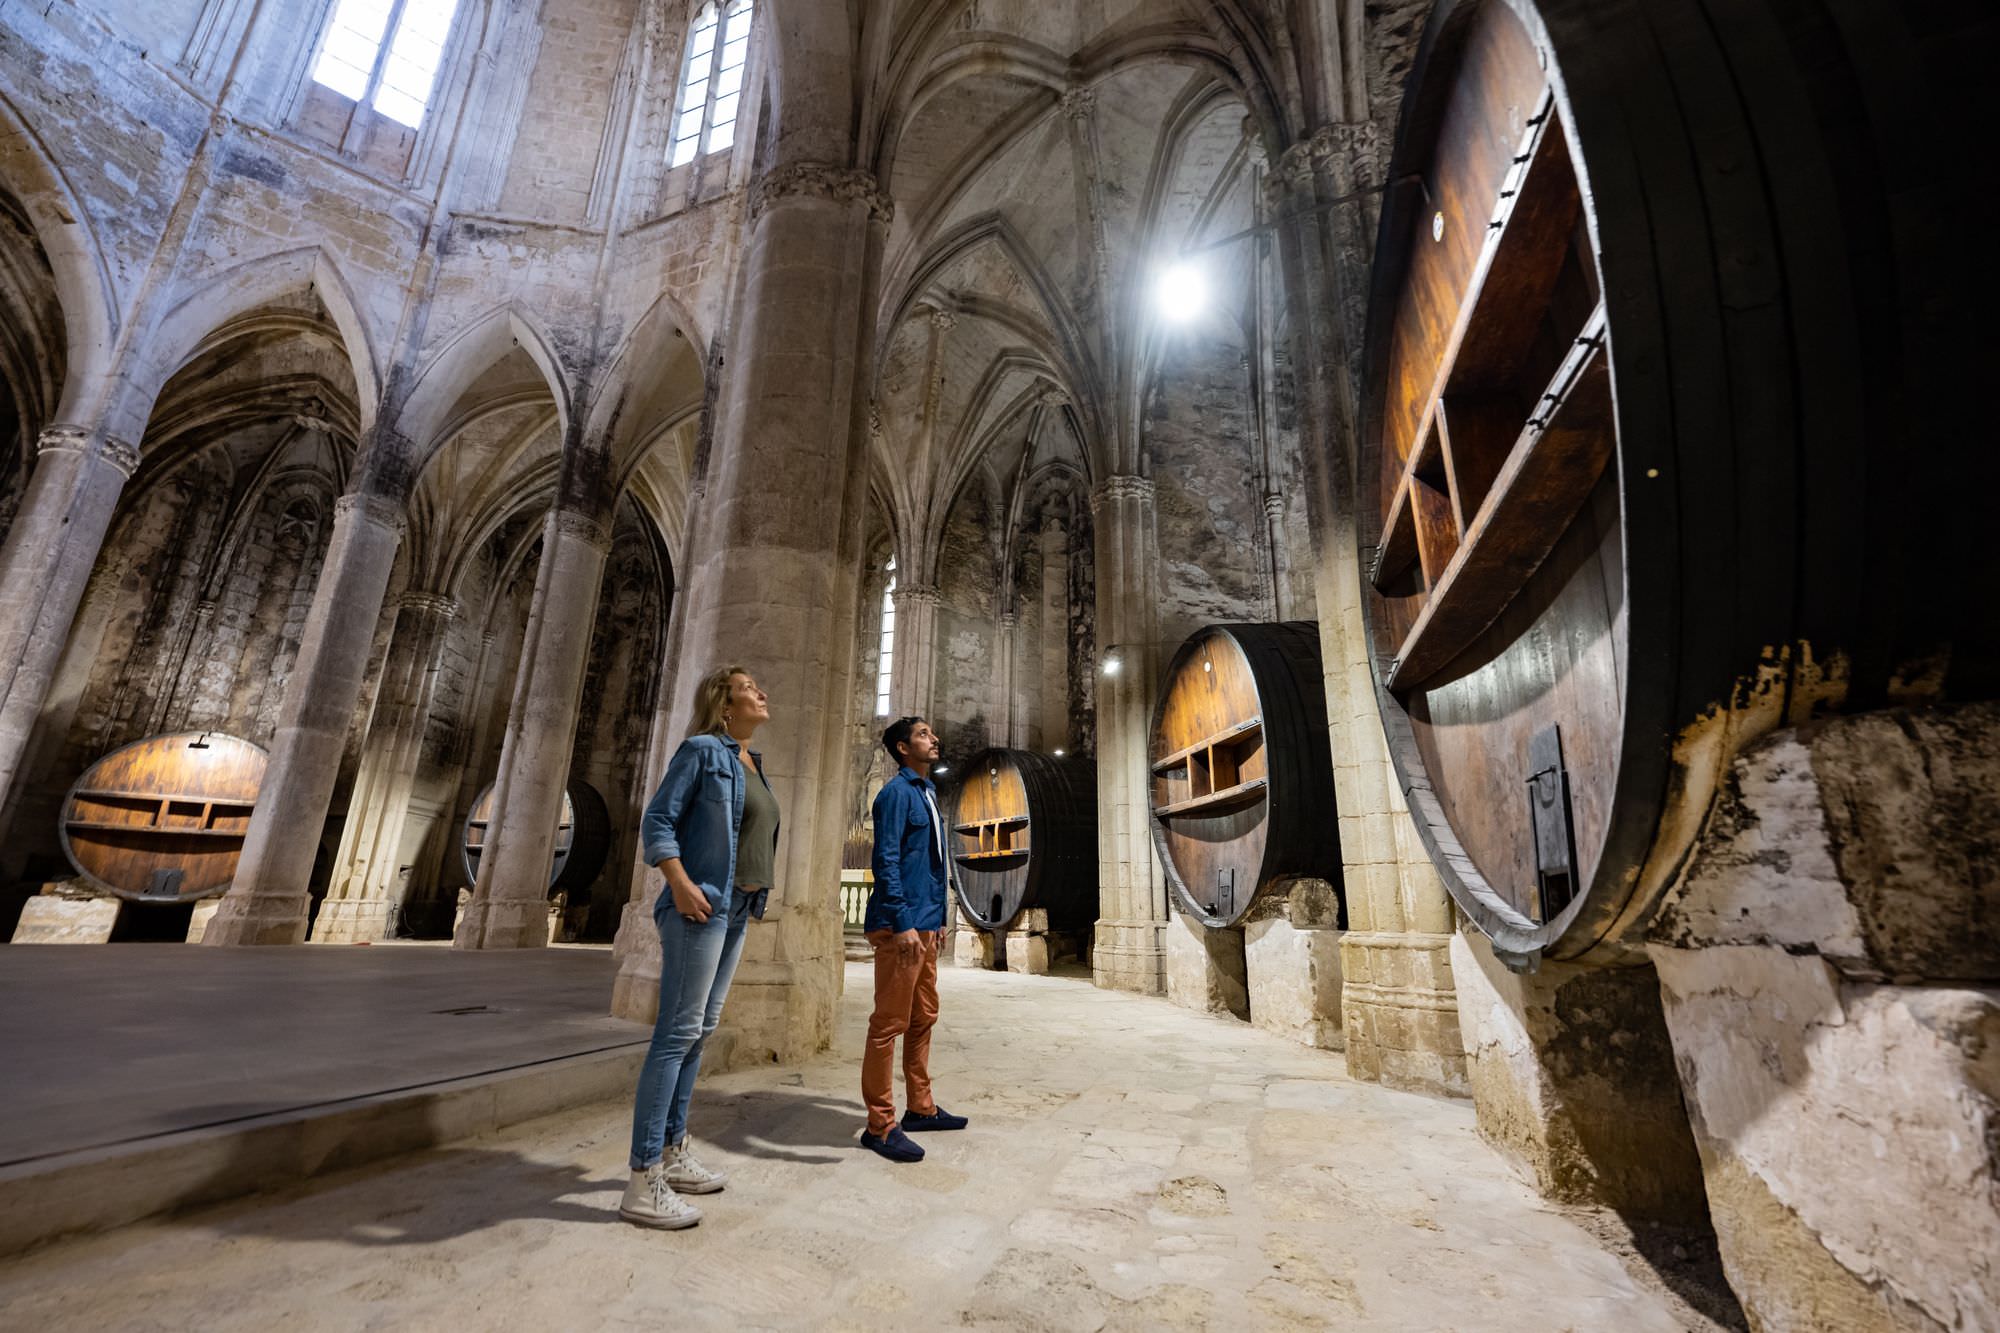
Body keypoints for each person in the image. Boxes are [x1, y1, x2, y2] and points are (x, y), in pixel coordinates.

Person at [621, 665, 780, 1228]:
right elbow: (659, 819)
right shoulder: (701, 750)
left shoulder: (748, 761)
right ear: (723, 704)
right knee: (675, 1037)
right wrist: (681, 884)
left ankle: (672, 1151)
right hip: (701, 907)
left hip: (735, 911)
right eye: (748, 688)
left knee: (699, 1032)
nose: (761, 693)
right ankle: (642, 1180)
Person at [859, 715, 970, 1162]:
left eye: (931, 733)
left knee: (924, 1015)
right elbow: (885, 860)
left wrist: (937, 918)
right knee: (889, 1023)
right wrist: (904, 922)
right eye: (923, 734)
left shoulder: (928, 792)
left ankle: (920, 1108)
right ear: (903, 748)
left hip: (925, 922)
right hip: (899, 924)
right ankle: (880, 1124)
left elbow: (932, 863)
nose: (934, 738)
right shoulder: (895, 794)